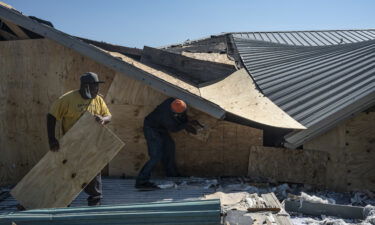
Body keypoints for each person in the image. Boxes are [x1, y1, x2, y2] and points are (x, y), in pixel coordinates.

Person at [46, 72, 112, 206]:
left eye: (98, 87)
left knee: (93, 170)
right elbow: (51, 116)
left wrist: (103, 120)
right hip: (71, 143)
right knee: (69, 172)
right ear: (85, 86)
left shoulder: (97, 99)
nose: (97, 90)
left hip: (91, 142)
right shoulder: (67, 99)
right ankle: (65, 200)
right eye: (94, 87)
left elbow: (108, 116)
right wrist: (52, 139)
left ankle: (95, 199)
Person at [135, 97, 198, 190]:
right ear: (173, 112)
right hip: (151, 128)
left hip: (160, 127)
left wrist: (187, 122)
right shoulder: (165, 116)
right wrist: (185, 125)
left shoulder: (173, 101)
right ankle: (141, 181)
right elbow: (173, 129)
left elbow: (181, 115)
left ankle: (171, 174)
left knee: (170, 146)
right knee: (156, 156)